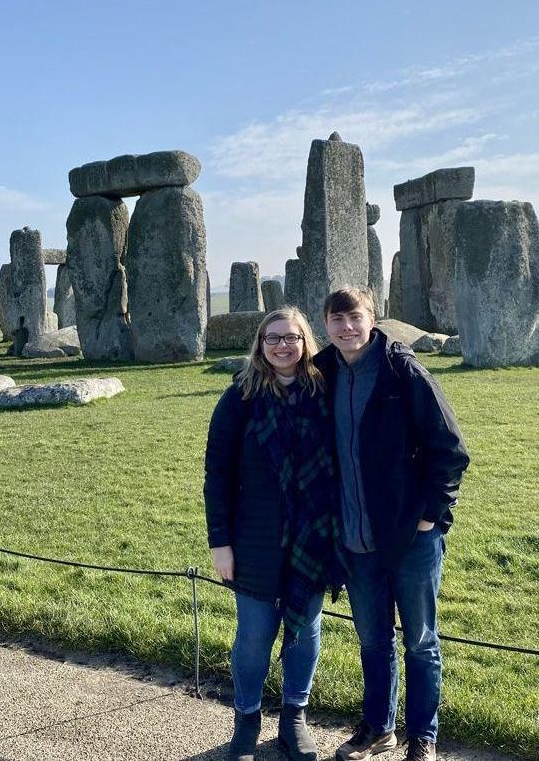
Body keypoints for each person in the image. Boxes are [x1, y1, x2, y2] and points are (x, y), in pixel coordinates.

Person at [313, 288, 469, 761]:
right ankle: (379, 729)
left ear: (372, 318)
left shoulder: (403, 371)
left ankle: (424, 737)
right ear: (326, 325)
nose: (347, 327)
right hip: (355, 534)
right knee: (373, 639)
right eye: (337, 319)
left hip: (410, 536)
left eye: (354, 317)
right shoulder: (322, 374)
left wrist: (430, 516)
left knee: (420, 641)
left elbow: (450, 449)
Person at [204, 307, 339, 761]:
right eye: (273, 338)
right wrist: (219, 542)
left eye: (292, 337)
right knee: (255, 636)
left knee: (304, 629)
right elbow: (217, 473)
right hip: (254, 536)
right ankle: (246, 718)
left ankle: (294, 718)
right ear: (260, 345)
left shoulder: (325, 391)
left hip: (313, 534)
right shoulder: (240, 396)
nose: (283, 346)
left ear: (306, 343)